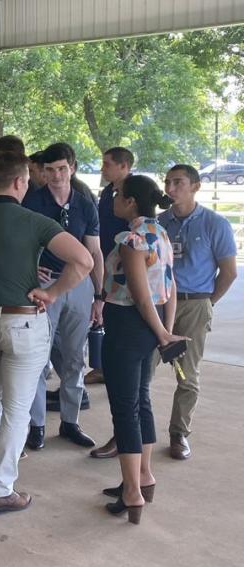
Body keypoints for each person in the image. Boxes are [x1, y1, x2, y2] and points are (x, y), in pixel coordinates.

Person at [0, 154, 93, 515]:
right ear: (22, 182)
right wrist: (53, 293)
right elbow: (84, 259)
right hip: (22, 321)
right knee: (17, 410)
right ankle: (2, 488)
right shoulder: (34, 221)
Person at [95, 174, 182, 524]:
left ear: (130, 201)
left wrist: (162, 333)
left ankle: (132, 490)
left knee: (125, 408)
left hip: (129, 324)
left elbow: (140, 292)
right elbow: (171, 287)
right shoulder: (160, 234)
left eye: (118, 194)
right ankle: (143, 475)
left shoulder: (133, 239)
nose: (113, 199)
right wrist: (165, 329)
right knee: (141, 399)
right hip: (152, 323)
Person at [23, 142, 104, 451]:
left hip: (80, 284)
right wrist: (32, 270)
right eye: (49, 170)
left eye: (61, 169)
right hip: (44, 286)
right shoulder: (32, 202)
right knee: (39, 359)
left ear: (72, 168)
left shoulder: (85, 204)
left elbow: (94, 250)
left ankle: (71, 422)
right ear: (42, 172)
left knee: (74, 358)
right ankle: (37, 425)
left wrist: (99, 294)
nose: (56, 175)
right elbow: (23, 245)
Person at [156, 164, 238, 460]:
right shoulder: (159, 223)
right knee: (140, 369)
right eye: (167, 182)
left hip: (194, 304)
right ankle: (129, 433)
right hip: (159, 305)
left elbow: (228, 272)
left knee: (187, 375)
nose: (171, 188)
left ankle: (179, 433)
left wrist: (207, 303)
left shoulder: (215, 224)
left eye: (178, 182)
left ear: (195, 186)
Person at [85, 147, 135, 393]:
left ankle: (114, 369)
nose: (103, 169)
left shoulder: (134, 191)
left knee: (113, 313)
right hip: (103, 257)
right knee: (101, 314)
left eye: (107, 164)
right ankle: (102, 365)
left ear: (124, 166)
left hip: (122, 261)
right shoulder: (107, 192)